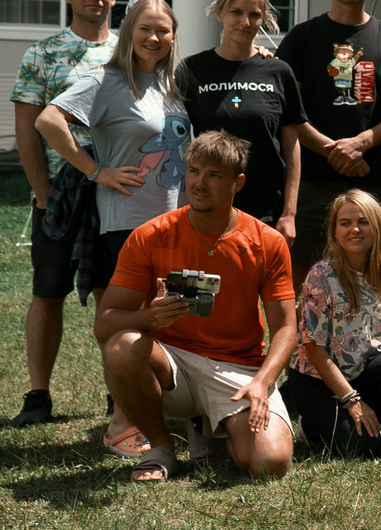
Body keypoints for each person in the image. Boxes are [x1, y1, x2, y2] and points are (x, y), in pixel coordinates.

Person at [94, 132, 298, 483]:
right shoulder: (150, 235)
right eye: (193, 171)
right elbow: (105, 325)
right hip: (170, 365)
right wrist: (149, 316)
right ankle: (161, 447)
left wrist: (263, 382)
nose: (199, 183)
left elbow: (286, 328)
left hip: (237, 370)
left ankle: (210, 428)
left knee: (269, 464)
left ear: (238, 182)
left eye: (214, 175)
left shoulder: (267, 242)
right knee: (121, 346)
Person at [10, 0, 118, 427]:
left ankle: (120, 393)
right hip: (61, 194)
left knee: (112, 296)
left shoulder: (129, 51)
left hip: (116, 195)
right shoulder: (42, 54)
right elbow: (27, 131)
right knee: (47, 292)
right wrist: (42, 192)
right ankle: (38, 394)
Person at [35, 0, 190, 302]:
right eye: (145, 29)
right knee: (129, 318)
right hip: (129, 221)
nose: (154, 37)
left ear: (173, 36)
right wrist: (96, 171)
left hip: (175, 219)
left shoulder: (169, 84)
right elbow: (48, 120)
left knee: (168, 315)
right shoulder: (107, 80)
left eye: (163, 30)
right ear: (130, 31)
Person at [277, 0, 381, 275]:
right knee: (306, 280)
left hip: (372, 178)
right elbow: (286, 109)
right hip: (311, 181)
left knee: (373, 279)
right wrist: (333, 151)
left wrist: (361, 143)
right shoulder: (302, 38)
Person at [282, 189, 381, 458]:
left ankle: (370, 415)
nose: (355, 229)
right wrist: (351, 400)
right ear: (335, 231)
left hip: (365, 371)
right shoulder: (321, 275)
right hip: (319, 383)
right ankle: (315, 424)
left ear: (376, 227)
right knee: (366, 449)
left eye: (363, 222)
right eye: (346, 223)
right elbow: (313, 349)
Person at [181, 0, 304, 240]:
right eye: (236, 12)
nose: (245, 22)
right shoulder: (193, 69)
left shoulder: (278, 72)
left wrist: (289, 214)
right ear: (219, 13)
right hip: (207, 208)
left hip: (267, 209)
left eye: (254, 15)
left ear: (263, 19)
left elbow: (291, 146)